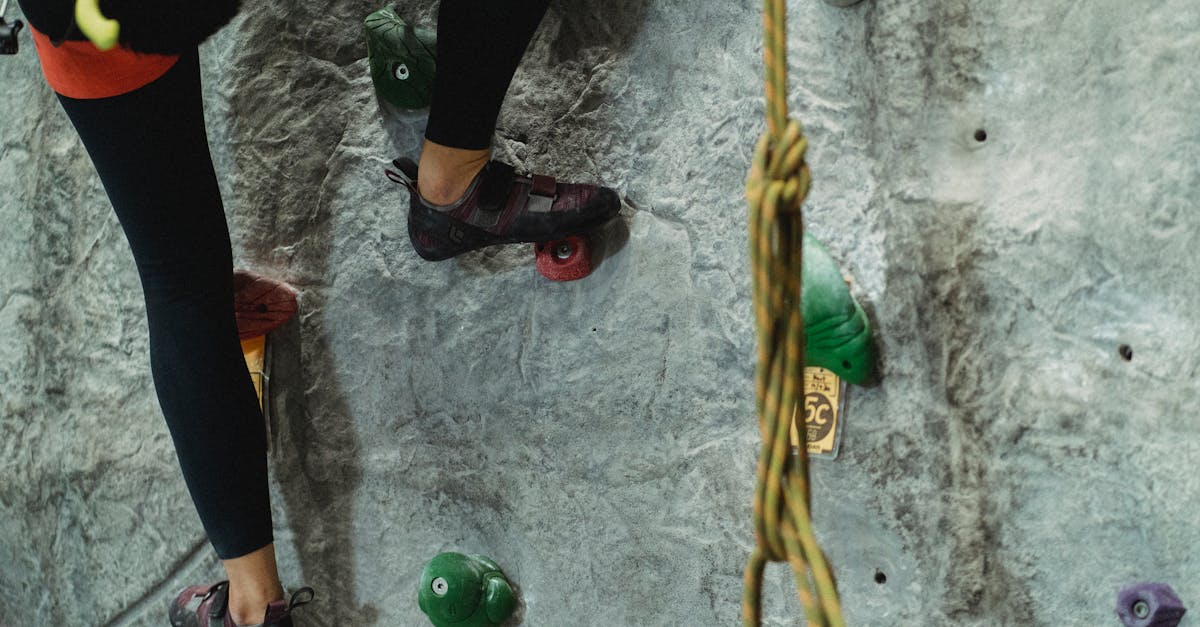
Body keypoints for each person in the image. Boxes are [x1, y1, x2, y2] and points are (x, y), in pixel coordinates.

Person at [13, 1, 620, 625]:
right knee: (179, 279)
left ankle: (454, 175)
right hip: (89, 27)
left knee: (182, 286)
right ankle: (253, 609)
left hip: (96, 26)